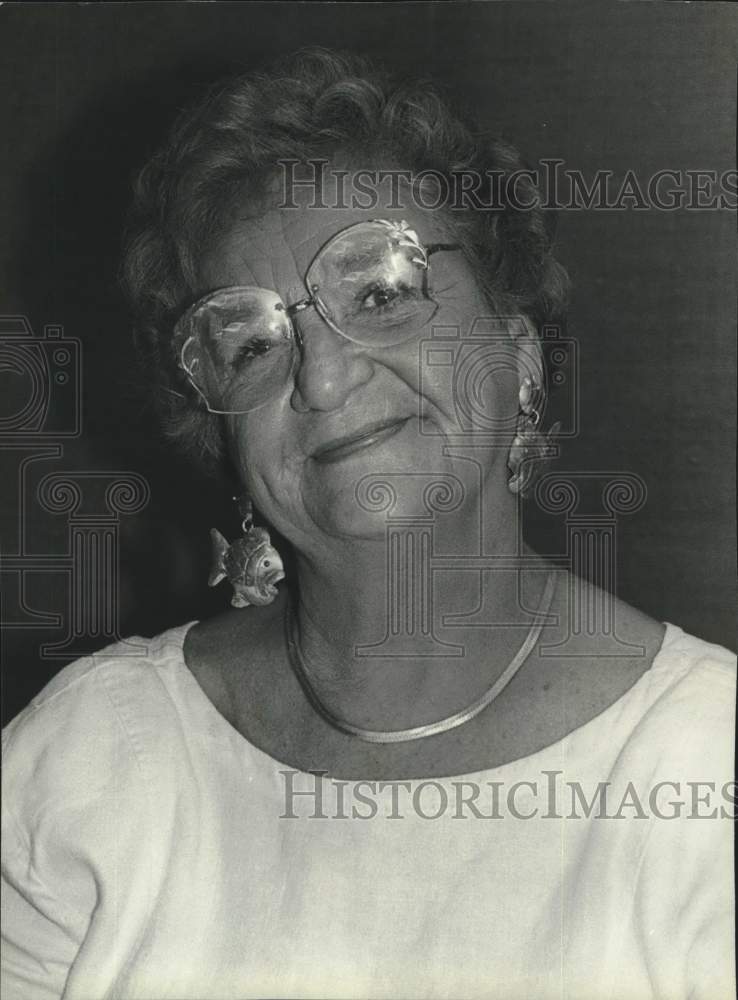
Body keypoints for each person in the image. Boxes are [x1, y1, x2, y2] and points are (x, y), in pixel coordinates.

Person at [2, 48, 734, 1000]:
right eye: (252, 341)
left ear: (517, 355)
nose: (323, 375)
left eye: (382, 292)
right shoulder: (89, 759)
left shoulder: (705, 770)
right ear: (220, 431)